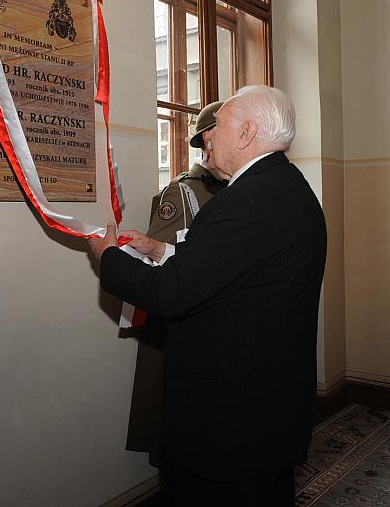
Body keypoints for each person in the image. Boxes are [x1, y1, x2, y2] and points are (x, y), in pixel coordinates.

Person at [89, 85, 326, 506]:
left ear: (248, 132)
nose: (209, 136)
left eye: (218, 125)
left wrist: (108, 257)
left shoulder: (243, 201)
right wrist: (162, 249)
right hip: (271, 405)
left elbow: (168, 294)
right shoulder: (290, 189)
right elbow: (244, 271)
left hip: (230, 418)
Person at [125, 101, 226, 496]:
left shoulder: (242, 190)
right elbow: (161, 267)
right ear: (207, 141)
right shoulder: (184, 193)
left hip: (221, 329)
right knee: (178, 434)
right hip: (182, 327)